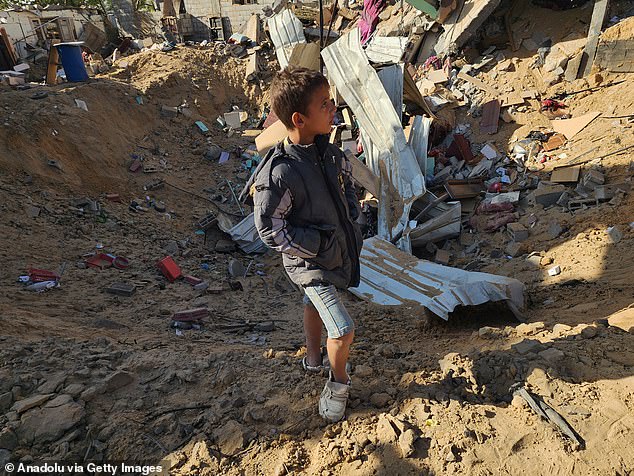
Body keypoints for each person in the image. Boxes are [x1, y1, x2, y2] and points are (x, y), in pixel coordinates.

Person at [246, 66, 363, 422]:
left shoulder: (327, 152)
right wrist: (319, 246)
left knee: (312, 304)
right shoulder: (279, 173)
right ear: (299, 118)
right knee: (342, 329)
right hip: (310, 262)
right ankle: (337, 383)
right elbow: (270, 230)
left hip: (332, 250)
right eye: (325, 104)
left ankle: (313, 360)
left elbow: (347, 186)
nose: (333, 109)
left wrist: (354, 214)